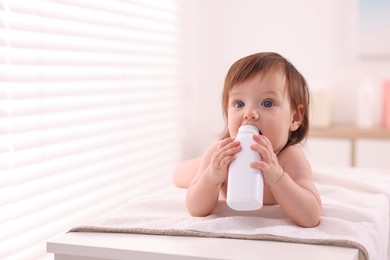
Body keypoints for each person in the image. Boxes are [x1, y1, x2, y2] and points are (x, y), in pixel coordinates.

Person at [173, 52, 322, 227]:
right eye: (239, 104)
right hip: (214, 161)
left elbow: (311, 216)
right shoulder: (220, 154)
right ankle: (192, 169)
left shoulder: (289, 159)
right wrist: (211, 177)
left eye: (267, 103)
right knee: (180, 174)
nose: (249, 113)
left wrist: (278, 178)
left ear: (295, 117)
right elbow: (196, 209)